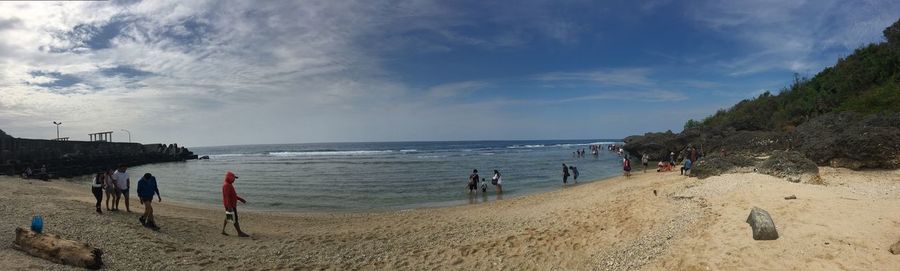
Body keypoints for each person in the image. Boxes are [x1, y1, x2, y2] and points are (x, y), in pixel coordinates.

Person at [222, 171, 249, 237]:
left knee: (228, 217)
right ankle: (239, 233)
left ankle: (223, 231)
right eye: (233, 178)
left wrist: (240, 199)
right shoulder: (227, 185)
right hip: (230, 205)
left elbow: (233, 195)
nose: (234, 180)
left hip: (230, 205)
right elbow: (227, 197)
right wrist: (229, 207)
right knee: (235, 219)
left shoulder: (228, 184)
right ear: (230, 178)